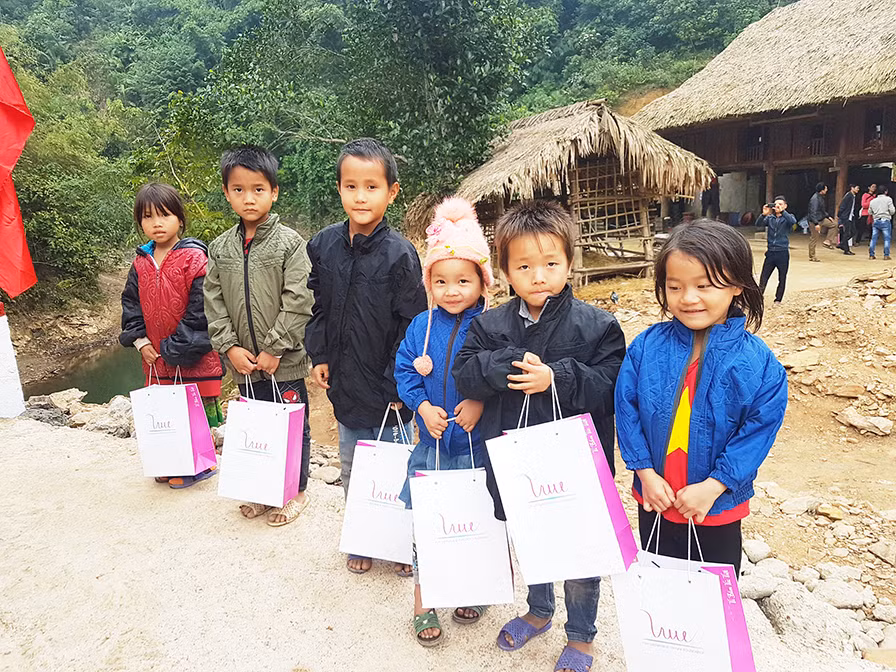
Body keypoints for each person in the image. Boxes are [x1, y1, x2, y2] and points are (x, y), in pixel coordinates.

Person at [453, 201, 626, 672]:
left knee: (578, 548)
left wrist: (558, 377)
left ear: (570, 263)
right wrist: (505, 361)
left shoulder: (598, 326)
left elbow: (610, 385)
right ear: (505, 271)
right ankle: (540, 609)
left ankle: (582, 634)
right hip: (515, 459)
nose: (539, 275)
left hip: (573, 463)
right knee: (530, 535)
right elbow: (464, 374)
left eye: (551, 263)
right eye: (524, 266)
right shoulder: (490, 325)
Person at [615, 219, 788, 577]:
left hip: (715, 505)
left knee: (712, 599)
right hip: (656, 498)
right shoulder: (647, 346)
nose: (688, 298)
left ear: (737, 284)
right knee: (661, 586)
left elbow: (757, 433)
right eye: (674, 286)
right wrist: (645, 473)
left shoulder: (758, 364)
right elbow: (626, 408)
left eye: (704, 285)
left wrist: (714, 486)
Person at [306, 138, 427, 575]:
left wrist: (399, 386)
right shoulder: (323, 246)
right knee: (353, 464)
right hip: (344, 383)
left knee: (397, 467)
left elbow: (413, 327)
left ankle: (399, 542)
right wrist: (318, 353)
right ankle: (361, 535)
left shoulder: (400, 255)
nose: (361, 196)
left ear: (391, 192)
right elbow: (317, 306)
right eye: (351, 186)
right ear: (339, 189)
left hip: (389, 391)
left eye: (371, 186)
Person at [394, 197, 494, 647]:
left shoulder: (494, 326)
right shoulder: (421, 326)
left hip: (475, 448)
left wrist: (478, 400)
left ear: (481, 282)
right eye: (441, 281)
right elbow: (402, 369)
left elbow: (502, 374)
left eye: (463, 280)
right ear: (429, 283)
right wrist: (421, 405)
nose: (452, 290)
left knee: (472, 520)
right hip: (431, 449)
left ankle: (468, 588)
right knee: (428, 525)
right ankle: (424, 600)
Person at [204, 145, 313, 526]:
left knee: (291, 424)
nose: (248, 198)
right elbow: (213, 303)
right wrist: (229, 347)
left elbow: (299, 299)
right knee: (256, 425)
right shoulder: (219, 248)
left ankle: (296, 491)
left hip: (283, 362)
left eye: (258, 189)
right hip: (244, 363)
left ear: (274, 192)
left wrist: (274, 348)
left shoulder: (290, 244)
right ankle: (263, 489)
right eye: (239, 189)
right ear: (226, 192)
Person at [121, 182, 224, 488]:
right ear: (140, 222)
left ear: (180, 218)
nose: (157, 223)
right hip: (156, 357)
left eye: (164, 215)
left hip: (192, 355)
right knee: (165, 414)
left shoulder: (195, 258)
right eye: (148, 217)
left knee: (192, 412)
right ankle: (169, 461)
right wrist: (142, 342)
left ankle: (198, 466)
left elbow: (203, 310)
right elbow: (130, 304)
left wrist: (172, 347)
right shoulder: (140, 262)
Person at [758, 196, 796, 303]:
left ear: (785, 206)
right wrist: (763, 214)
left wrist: (783, 212)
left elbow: (793, 221)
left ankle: (778, 299)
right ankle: (759, 297)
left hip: (782, 252)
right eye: (776, 204)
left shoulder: (788, 217)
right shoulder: (770, 218)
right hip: (771, 252)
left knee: (782, 277)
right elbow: (758, 224)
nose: (777, 206)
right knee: (764, 277)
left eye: (780, 204)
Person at [868, 184, 895, 260]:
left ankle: (871, 255)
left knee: (873, 238)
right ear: (885, 192)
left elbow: (869, 212)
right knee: (886, 238)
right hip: (885, 220)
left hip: (876, 220)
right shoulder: (888, 199)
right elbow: (892, 211)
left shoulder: (873, 201)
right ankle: (886, 255)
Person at [807, 182, 830, 259]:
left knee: (834, 224)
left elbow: (822, 210)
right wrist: (816, 223)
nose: (827, 190)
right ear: (822, 190)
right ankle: (812, 256)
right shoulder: (815, 199)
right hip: (815, 220)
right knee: (814, 237)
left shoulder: (820, 197)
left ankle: (827, 241)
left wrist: (828, 216)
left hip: (822, 218)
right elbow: (812, 212)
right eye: (825, 188)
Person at [837, 184, 860, 255]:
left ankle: (842, 244)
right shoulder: (848, 196)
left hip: (851, 216)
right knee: (847, 233)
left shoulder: (853, 196)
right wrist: (839, 215)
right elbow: (842, 206)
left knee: (853, 231)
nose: (858, 189)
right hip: (846, 216)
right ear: (852, 188)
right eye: (857, 188)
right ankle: (846, 250)